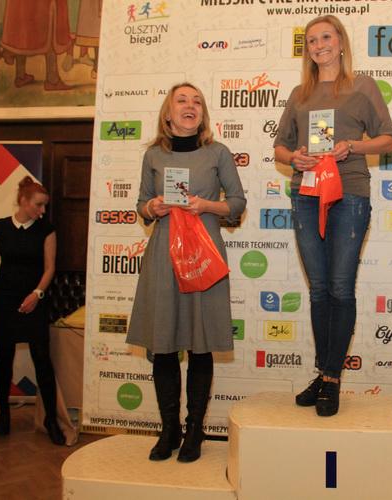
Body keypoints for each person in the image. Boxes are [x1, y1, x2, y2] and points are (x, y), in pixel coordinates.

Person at [274, 15, 392, 417]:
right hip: (307, 194)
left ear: (341, 42)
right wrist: (295, 157)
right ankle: (325, 372)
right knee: (318, 290)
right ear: (307, 49)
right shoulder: (299, 93)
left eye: (326, 37)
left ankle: (331, 378)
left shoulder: (362, 86)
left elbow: (388, 139)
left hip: (349, 195)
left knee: (341, 288)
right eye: (312, 40)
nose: (319, 45)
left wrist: (353, 147)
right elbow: (280, 147)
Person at [126, 82, 246, 463]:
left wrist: (206, 205)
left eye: (197, 101)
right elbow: (141, 204)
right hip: (164, 257)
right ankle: (169, 430)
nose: (190, 106)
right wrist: (153, 207)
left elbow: (237, 203)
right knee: (163, 343)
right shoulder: (153, 156)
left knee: (200, 342)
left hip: (204, 257)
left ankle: (195, 430)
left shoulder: (218, 152)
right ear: (169, 112)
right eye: (182, 100)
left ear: (203, 113)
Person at [0, 176, 65, 446]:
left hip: (34, 298)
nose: (42, 210)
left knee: (42, 359)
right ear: (23, 201)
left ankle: (51, 420)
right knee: (4, 357)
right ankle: (4, 413)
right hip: (3, 300)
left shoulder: (47, 230)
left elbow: (49, 268)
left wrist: (37, 294)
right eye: (38, 205)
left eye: (45, 205)